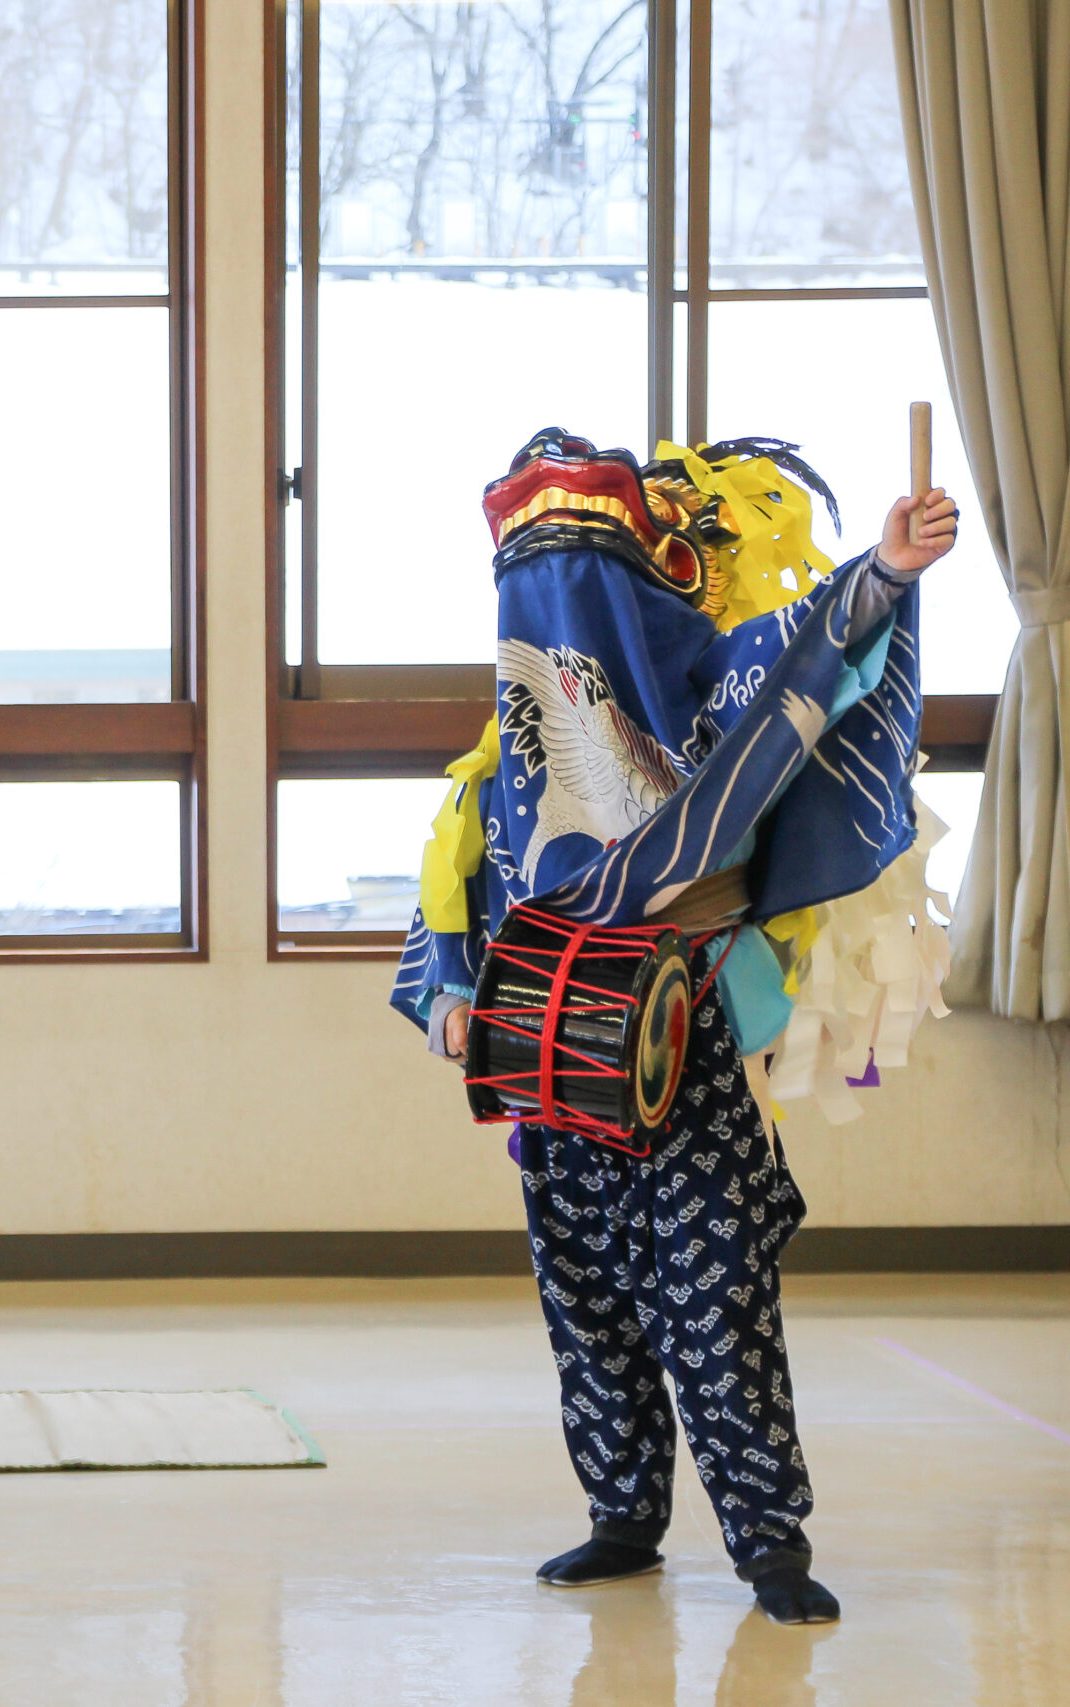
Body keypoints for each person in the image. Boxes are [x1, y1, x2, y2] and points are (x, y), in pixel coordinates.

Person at [394, 429, 960, 1626]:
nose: (560, 624)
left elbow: (811, 653)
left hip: (685, 1031)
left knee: (712, 1301)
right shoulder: (500, 756)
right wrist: (451, 997)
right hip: (555, 1055)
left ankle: (768, 1544)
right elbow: (453, 885)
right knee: (585, 1297)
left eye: (587, 592)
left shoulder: (718, 698)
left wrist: (887, 570)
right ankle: (620, 1517)